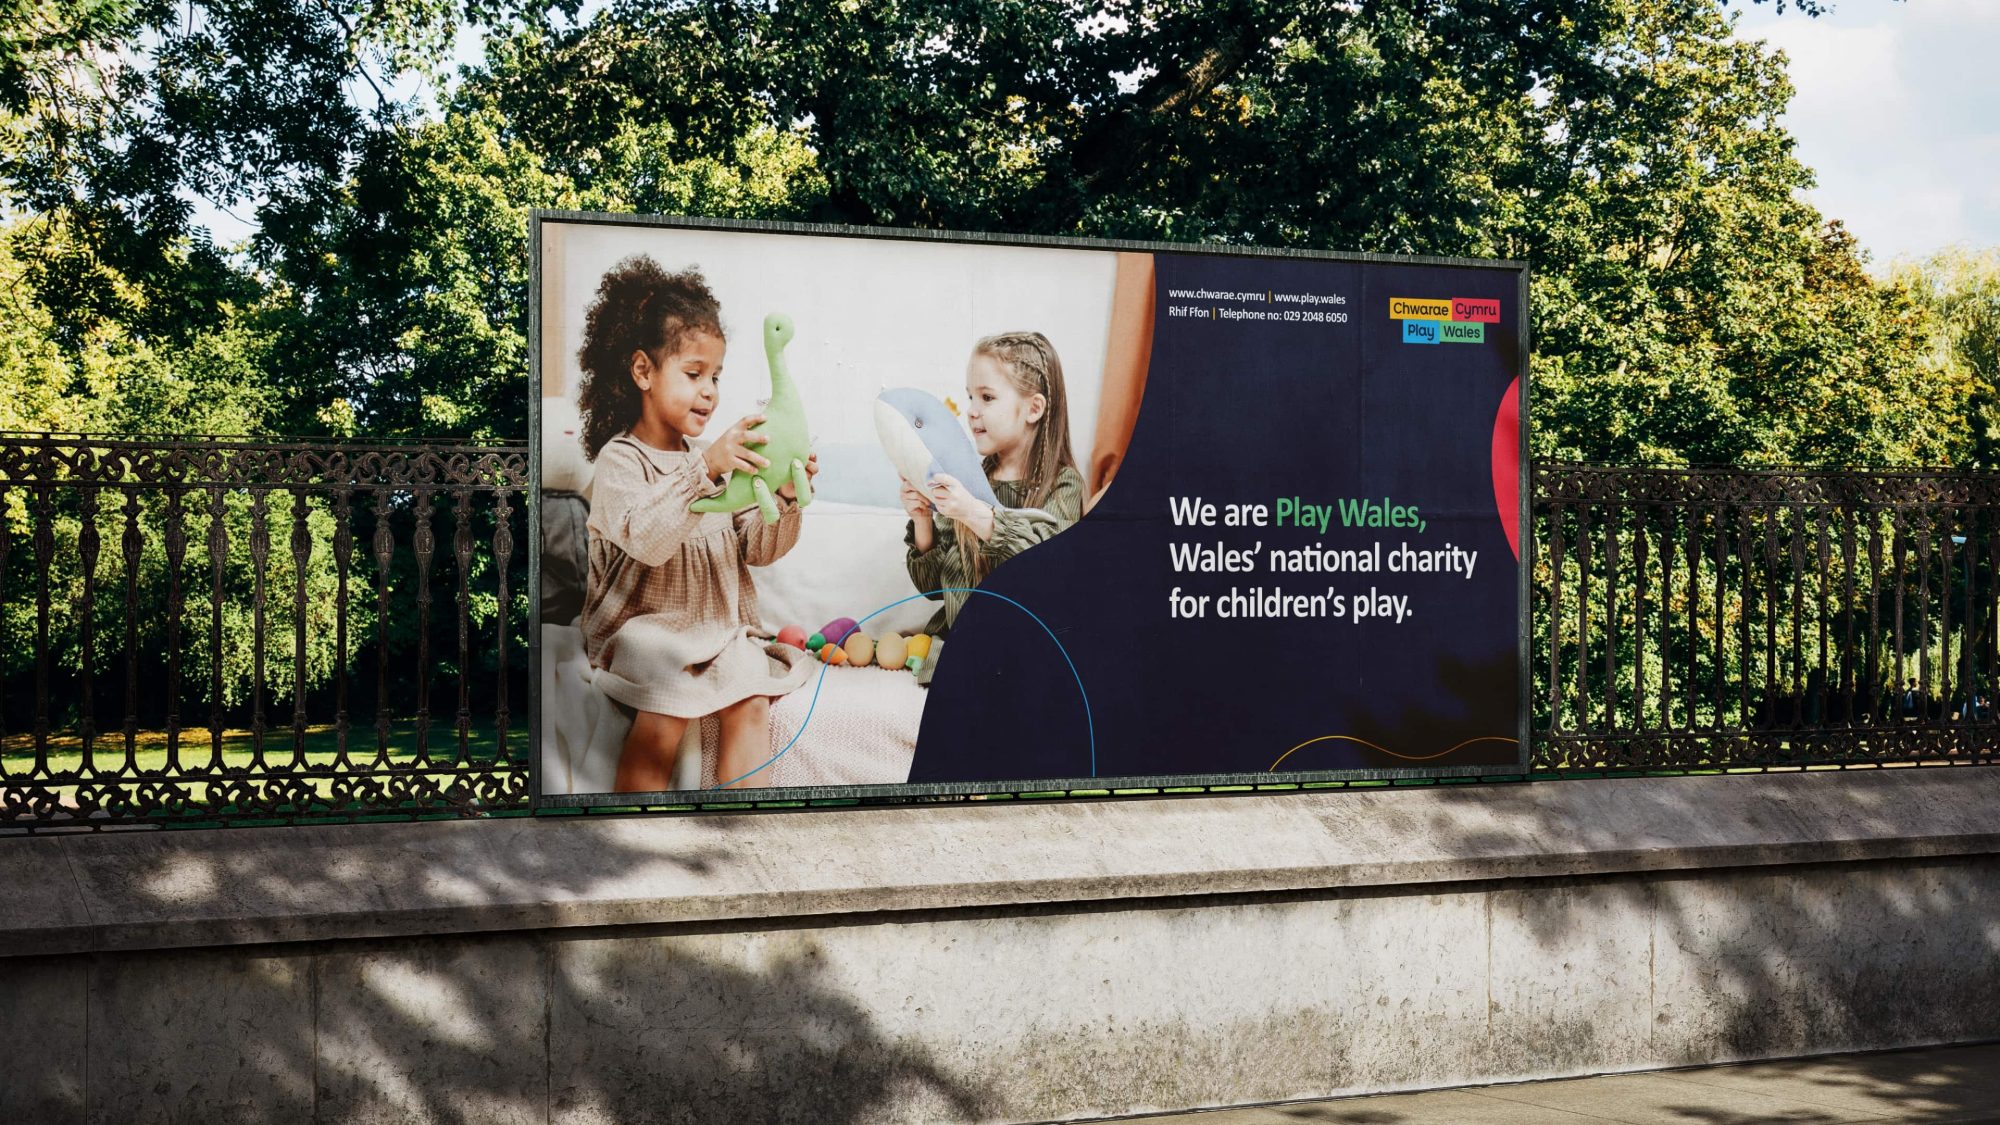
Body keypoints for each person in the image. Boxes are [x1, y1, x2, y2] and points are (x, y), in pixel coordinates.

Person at [574, 256, 817, 792]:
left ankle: (744, 844)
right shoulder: (622, 461)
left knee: (752, 699)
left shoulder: (716, 457)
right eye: (693, 374)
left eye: (716, 376)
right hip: (645, 628)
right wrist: (704, 468)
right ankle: (634, 843)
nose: (710, 390)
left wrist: (782, 496)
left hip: (718, 628)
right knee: (666, 709)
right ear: (643, 372)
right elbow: (648, 540)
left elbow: (755, 546)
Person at [902, 331, 1085, 637]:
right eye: (970, 397)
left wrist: (973, 513)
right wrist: (922, 521)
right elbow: (934, 589)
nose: (972, 410)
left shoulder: (1063, 485)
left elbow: (1048, 569)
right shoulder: (967, 481)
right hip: (959, 645)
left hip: (1025, 644)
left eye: (987, 397)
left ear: (1034, 409)